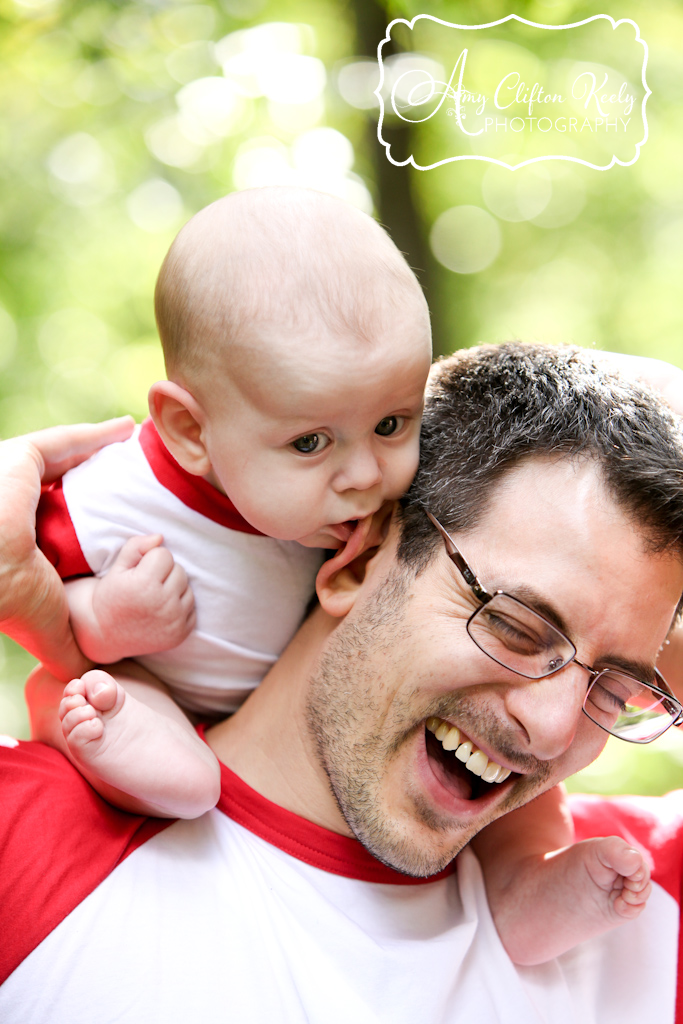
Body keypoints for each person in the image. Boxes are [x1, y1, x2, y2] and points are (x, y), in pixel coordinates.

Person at [2, 343, 683, 1023]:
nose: (555, 727)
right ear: (356, 563)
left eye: (613, 690)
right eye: (516, 625)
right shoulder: (24, 846)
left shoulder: (627, 898)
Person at [31, 186, 432, 818]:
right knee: (187, 779)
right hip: (151, 684)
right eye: (310, 442)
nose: (363, 475)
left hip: (278, 720)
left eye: (391, 424)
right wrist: (106, 615)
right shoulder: (117, 497)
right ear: (192, 432)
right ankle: (76, 725)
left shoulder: (371, 501)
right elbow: (33, 592)